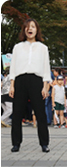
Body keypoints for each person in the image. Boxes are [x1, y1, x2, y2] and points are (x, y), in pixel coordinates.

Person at [8, 18, 52, 153]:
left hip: (36, 81)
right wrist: (12, 85)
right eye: (27, 27)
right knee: (17, 113)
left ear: (37, 30)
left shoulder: (43, 48)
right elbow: (13, 68)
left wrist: (45, 86)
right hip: (20, 81)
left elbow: (46, 68)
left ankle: (44, 143)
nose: (30, 29)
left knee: (40, 113)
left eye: (33, 26)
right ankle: (16, 143)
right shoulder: (18, 47)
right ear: (24, 30)